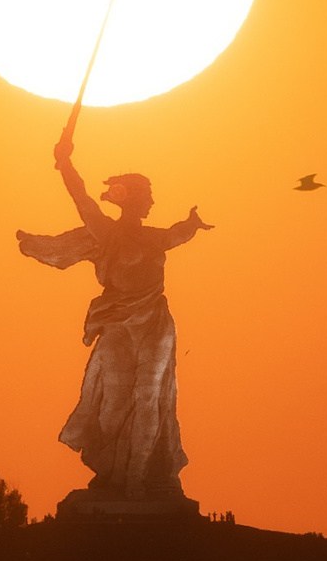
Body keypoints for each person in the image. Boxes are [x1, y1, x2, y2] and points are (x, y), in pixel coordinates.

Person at [17, 131, 211, 502]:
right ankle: (114, 473)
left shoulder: (153, 238)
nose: (153, 201)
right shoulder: (105, 233)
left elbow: (176, 234)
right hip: (119, 325)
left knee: (149, 397)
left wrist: (192, 224)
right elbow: (81, 198)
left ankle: (139, 479)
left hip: (154, 325)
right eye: (148, 196)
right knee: (113, 403)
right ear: (135, 200)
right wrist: (65, 162)